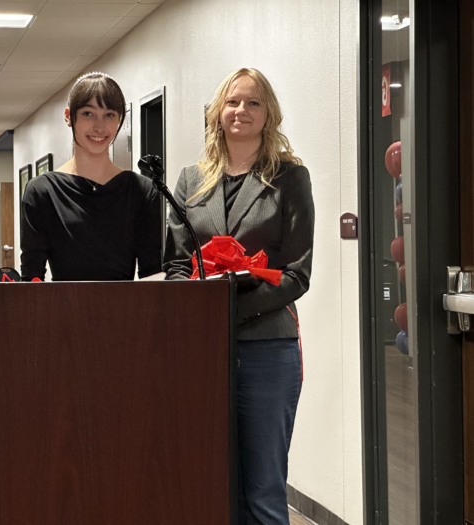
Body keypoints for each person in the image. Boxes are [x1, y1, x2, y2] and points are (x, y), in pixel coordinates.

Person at [164, 68, 314, 525]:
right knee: (210, 481)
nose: (241, 111)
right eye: (232, 102)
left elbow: (297, 273)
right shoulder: (191, 181)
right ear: (217, 112)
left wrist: (228, 310)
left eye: (252, 103)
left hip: (269, 348)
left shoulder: (290, 178)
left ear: (268, 114)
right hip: (203, 352)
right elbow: (175, 265)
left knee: (264, 490)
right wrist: (199, 308)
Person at [20, 72, 162, 281]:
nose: (99, 126)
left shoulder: (142, 190)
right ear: (69, 116)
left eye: (109, 115)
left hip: (126, 312)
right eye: (88, 113)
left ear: (120, 119)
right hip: (62, 311)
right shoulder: (42, 191)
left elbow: (153, 277)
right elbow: (32, 278)